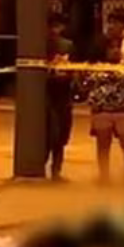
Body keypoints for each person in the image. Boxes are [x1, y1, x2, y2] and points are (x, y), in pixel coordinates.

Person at [84, 39, 124, 185]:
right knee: (103, 146)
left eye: (117, 48)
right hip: (102, 110)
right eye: (111, 48)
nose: (115, 51)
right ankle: (104, 177)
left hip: (123, 110)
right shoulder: (95, 68)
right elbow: (87, 83)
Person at [45, 13, 75, 181]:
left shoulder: (67, 45)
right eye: (52, 26)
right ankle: (40, 167)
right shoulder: (39, 45)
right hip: (45, 95)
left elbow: (72, 69)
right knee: (48, 134)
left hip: (63, 95)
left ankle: (56, 170)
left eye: (58, 26)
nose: (55, 30)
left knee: (61, 135)